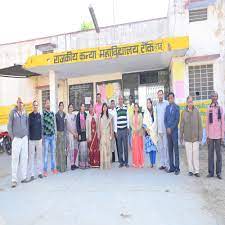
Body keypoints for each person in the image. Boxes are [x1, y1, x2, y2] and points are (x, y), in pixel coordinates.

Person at [8, 97, 29, 188]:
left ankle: (23, 177)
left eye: (22, 102)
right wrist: (12, 137)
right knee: (15, 159)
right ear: (17, 103)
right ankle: (14, 180)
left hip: (24, 138)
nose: (20, 104)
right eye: (19, 102)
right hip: (16, 139)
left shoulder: (25, 112)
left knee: (24, 158)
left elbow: (27, 124)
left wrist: (27, 134)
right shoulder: (13, 112)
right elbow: (9, 126)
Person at [180, 96, 203, 177]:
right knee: (189, 155)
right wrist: (181, 137)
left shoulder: (197, 111)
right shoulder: (183, 112)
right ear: (187, 103)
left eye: (191, 101)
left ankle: (196, 171)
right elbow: (181, 126)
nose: (190, 103)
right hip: (187, 138)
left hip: (196, 138)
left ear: (193, 102)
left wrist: (200, 138)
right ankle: (190, 170)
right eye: (189, 102)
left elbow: (200, 125)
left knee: (195, 155)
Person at [206, 92, 224, 179]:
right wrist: (207, 135)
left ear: (217, 97)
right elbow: (207, 123)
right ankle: (211, 172)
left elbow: (223, 123)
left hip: (218, 136)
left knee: (219, 155)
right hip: (210, 135)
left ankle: (219, 172)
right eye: (213, 96)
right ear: (211, 98)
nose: (214, 97)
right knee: (210, 154)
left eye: (216, 96)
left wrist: (222, 136)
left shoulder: (220, 108)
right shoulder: (209, 108)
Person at [164, 92, 180, 175]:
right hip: (168, 132)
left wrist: (171, 128)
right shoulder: (166, 108)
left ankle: (177, 168)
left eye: (171, 98)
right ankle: (172, 167)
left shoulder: (177, 107)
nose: (170, 99)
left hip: (174, 132)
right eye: (169, 98)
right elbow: (165, 120)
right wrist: (167, 128)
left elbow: (177, 120)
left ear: (173, 98)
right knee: (170, 150)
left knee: (176, 150)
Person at [28, 100, 43, 182]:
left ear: (38, 106)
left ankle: (39, 172)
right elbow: (28, 127)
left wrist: (42, 137)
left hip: (39, 139)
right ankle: (32, 174)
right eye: (34, 105)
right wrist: (28, 137)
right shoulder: (29, 116)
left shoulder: (40, 115)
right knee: (31, 157)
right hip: (31, 140)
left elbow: (41, 127)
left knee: (39, 156)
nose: (35, 106)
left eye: (37, 105)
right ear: (32, 106)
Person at [43, 99, 58, 177]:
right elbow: (42, 126)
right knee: (45, 154)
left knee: (53, 153)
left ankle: (53, 168)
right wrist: (42, 137)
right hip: (46, 137)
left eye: (49, 103)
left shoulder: (52, 113)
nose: (48, 104)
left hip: (52, 136)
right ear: (45, 105)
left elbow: (54, 124)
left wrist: (55, 135)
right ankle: (45, 170)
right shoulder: (43, 114)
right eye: (47, 103)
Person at [155, 90, 169, 171]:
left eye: (161, 94)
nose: (160, 96)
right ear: (157, 96)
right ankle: (162, 164)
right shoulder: (156, 105)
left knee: (165, 147)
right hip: (159, 129)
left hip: (165, 129)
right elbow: (157, 117)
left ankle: (167, 165)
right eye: (158, 95)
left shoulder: (166, 103)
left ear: (163, 95)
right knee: (160, 148)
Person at [143, 98, 158, 168]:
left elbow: (156, 121)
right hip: (148, 132)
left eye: (149, 102)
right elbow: (144, 123)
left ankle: (154, 162)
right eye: (147, 103)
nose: (148, 104)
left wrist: (152, 129)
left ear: (151, 103)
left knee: (154, 148)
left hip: (153, 132)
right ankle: (151, 163)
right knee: (150, 148)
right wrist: (147, 129)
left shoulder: (154, 111)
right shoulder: (145, 112)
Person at [116, 95, 130, 168]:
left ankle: (126, 162)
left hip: (124, 129)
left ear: (123, 100)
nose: (120, 100)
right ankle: (121, 162)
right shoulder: (116, 108)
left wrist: (128, 127)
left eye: (121, 99)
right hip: (119, 130)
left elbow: (128, 118)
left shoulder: (125, 108)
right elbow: (115, 120)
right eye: (119, 99)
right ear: (118, 100)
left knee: (125, 147)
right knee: (120, 147)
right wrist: (115, 131)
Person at [99, 103, 113, 169]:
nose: (104, 108)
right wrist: (99, 134)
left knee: (108, 149)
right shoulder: (100, 116)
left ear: (107, 108)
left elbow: (111, 126)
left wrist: (111, 134)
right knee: (102, 149)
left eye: (105, 107)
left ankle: (108, 164)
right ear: (102, 108)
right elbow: (99, 126)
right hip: (102, 134)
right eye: (103, 107)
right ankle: (103, 164)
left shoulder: (109, 116)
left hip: (107, 134)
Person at [65, 103, 79, 170]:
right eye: (70, 107)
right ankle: (72, 164)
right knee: (71, 149)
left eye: (72, 107)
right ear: (68, 108)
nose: (71, 108)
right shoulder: (66, 116)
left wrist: (76, 133)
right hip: (70, 134)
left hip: (75, 134)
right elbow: (67, 126)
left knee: (76, 148)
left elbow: (76, 125)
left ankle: (74, 162)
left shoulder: (74, 115)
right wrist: (73, 133)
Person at [130, 103, 144, 168]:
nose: (136, 108)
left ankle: (140, 162)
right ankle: (135, 162)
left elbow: (141, 123)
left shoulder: (140, 115)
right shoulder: (132, 115)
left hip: (139, 133)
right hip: (134, 133)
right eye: (135, 107)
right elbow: (131, 123)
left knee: (139, 147)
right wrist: (134, 129)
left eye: (137, 107)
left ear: (138, 108)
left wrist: (137, 129)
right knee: (134, 148)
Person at [86, 103, 100, 168]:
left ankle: (96, 163)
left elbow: (98, 126)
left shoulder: (96, 116)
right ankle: (91, 163)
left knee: (96, 149)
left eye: (92, 107)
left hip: (95, 135)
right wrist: (87, 136)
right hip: (90, 135)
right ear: (89, 109)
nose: (91, 108)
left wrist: (98, 135)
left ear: (93, 108)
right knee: (91, 149)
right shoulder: (87, 117)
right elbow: (87, 127)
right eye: (90, 107)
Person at [76, 103, 89, 169]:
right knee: (81, 149)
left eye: (84, 106)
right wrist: (79, 134)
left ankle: (86, 163)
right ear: (80, 107)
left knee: (85, 149)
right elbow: (77, 125)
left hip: (85, 133)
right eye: (82, 106)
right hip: (81, 133)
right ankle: (81, 164)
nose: (83, 107)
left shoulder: (86, 114)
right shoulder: (78, 115)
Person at [55, 102, 67, 173]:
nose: (61, 107)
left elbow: (66, 125)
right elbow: (55, 125)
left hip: (63, 133)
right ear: (59, 107)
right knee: (58, 150)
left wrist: (65, 133)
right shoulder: (56, 115)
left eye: (62, 106)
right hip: (58, 133)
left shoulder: (65, 115)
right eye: (60, 106)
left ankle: (63, 167)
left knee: (63, 150)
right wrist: (56, 134)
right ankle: (58, 167)